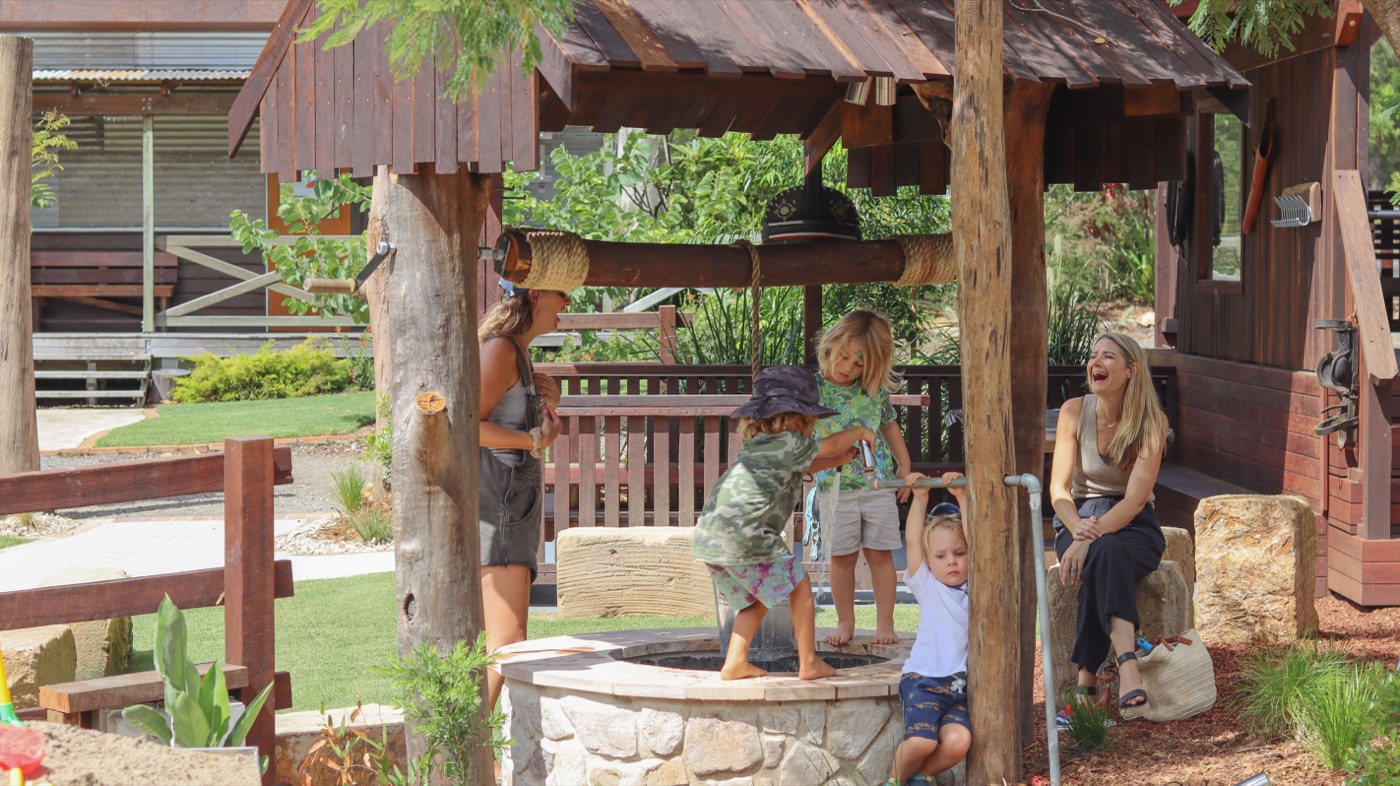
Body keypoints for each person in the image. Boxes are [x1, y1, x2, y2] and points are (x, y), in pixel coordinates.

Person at [692, 365, 877, 681]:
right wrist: (860, 432)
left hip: (710, 536)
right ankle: (809, 662)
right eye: (809, 422)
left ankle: (735, 661)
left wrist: (838, 461)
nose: (810, 428)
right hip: (747, 533)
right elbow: (830, 446)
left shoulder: (760, 443)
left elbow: (813, 462)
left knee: (758, 597)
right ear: (798, 418)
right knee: (799, 583)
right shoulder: (790, 441)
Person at [1048, 331, 1169, 721]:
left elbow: (1134, 501)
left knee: (1104, 553)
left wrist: (1088, 539)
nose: (1095, 362)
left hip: (1134, 524)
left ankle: (1086, 688)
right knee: (1105, 552)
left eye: (1108, 357)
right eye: (1093, 355)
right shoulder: (1073, 411)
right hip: (1078, 517)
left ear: (1131, 370)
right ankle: (1128, 667)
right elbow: (1058, 490)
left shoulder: (1152, 421)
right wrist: (1079, 531)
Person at [478, 279, 570, 713]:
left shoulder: (518, 353)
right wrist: (535, 439)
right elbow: (467, 426)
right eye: (561, 291)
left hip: (512, 507)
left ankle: (465, 743)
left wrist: (546, 406)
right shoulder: (501, 350)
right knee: (509, 642)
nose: (567, 301)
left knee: (501, 642)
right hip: (501, 509)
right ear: (535, 295)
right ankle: (462, 746)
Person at [813, 309, 915, 647]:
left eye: (859, 364)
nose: (848, 368)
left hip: (876, 485)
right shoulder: (813, 390)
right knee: (842, 558)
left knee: (880, 555)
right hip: (834, 487)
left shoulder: (872, 390)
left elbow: (889, 426)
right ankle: (845, 621)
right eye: (844, 357)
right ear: (831, 344)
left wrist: (904, 464)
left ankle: (885, 623)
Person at [887, 471, 971, 786]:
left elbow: (977, 541)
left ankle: (919, 778)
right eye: (941, 556)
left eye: (959, 553)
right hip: (924, 679)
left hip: (957, 687)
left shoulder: (975, 586)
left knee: (958, 742)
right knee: (922, 741)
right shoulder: (928, 584)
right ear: (929, 561)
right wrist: (920, 498)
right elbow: (912, 540)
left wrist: (962, 496)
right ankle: (893, 781)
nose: (951, 562)